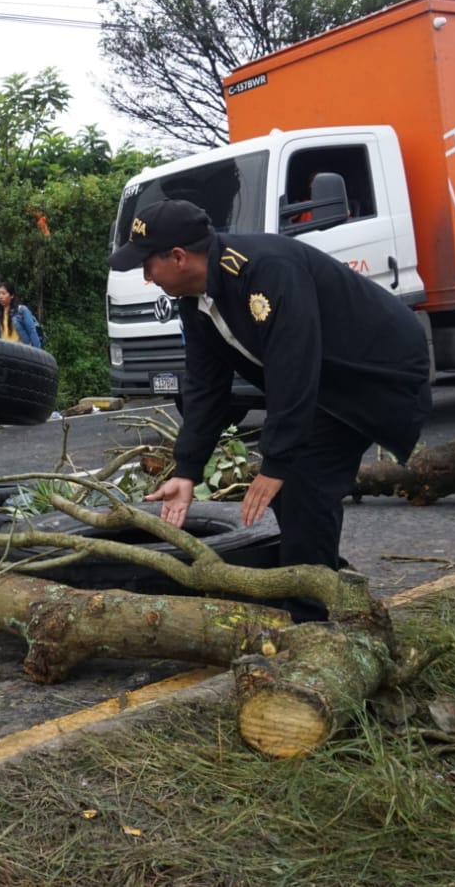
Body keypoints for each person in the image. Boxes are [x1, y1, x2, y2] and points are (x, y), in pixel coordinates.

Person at [108, 199, 431, 622]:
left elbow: (292, 368)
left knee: (301, 483)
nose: (147, 277)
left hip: (374, 371)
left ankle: (308, 622)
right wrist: (187, 470)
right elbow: (206, 387)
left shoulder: (266, 270)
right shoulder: (196, 299)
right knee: (295, 488)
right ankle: (328, 585)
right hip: (322, 379)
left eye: (147, 266)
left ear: (179, 257)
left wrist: (276, 461)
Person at [0, 281, 42, 348]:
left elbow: (32, 332)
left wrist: (37, 352)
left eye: (3, 293)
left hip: (21, 351)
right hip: (4, 351)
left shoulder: (21, 311)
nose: (0, 297)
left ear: (12, 295)